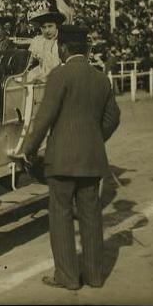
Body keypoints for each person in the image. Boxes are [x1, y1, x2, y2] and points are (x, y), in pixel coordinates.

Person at [16, 26, 120, 290]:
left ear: (63, 48)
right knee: (91, 216)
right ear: (85, 49)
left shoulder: (59, 75)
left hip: (61, 160)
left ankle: (68, 277)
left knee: (60, 217)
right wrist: (94, 139)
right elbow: (113, 117)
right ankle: (95, 276)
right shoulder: (101, 78)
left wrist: (27, 149)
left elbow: (44, 119)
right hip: (92, 159)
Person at [26, 0, 65, 82]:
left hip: (59, 76)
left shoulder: (62, 40)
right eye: (44, 27)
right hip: (39, 74)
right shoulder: (37, 40)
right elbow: (28, 61)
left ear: (56, 26)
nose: (47, 30)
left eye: (50, 26)